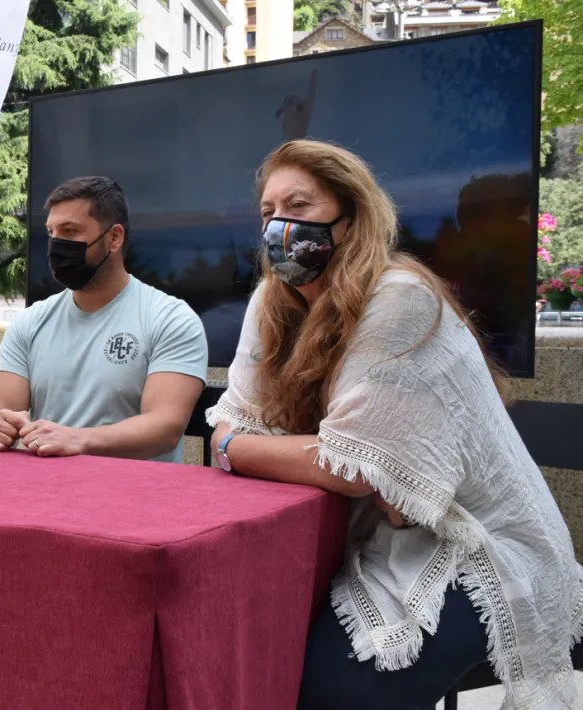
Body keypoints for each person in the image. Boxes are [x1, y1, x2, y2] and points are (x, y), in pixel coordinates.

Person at [207, 140, 582, 709]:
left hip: (472, 542)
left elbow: (353, 468)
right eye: (268, 211)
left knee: (334, 689)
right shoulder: (273, 303)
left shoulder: (399, 299)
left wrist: (241, 447)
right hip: (371, 531)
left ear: (351, 217)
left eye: (300, 206)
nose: (280, 225)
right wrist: (272, 446)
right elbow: (243, 422)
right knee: (248, 642)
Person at [0, 176, 208, 463]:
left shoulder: (170, 319)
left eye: (70, 231)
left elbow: (165, 427)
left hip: (136, 497)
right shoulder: (31, 322)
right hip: (44, 493)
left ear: (114, 238)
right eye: (52, 233)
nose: (56, 244)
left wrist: (78, 439)